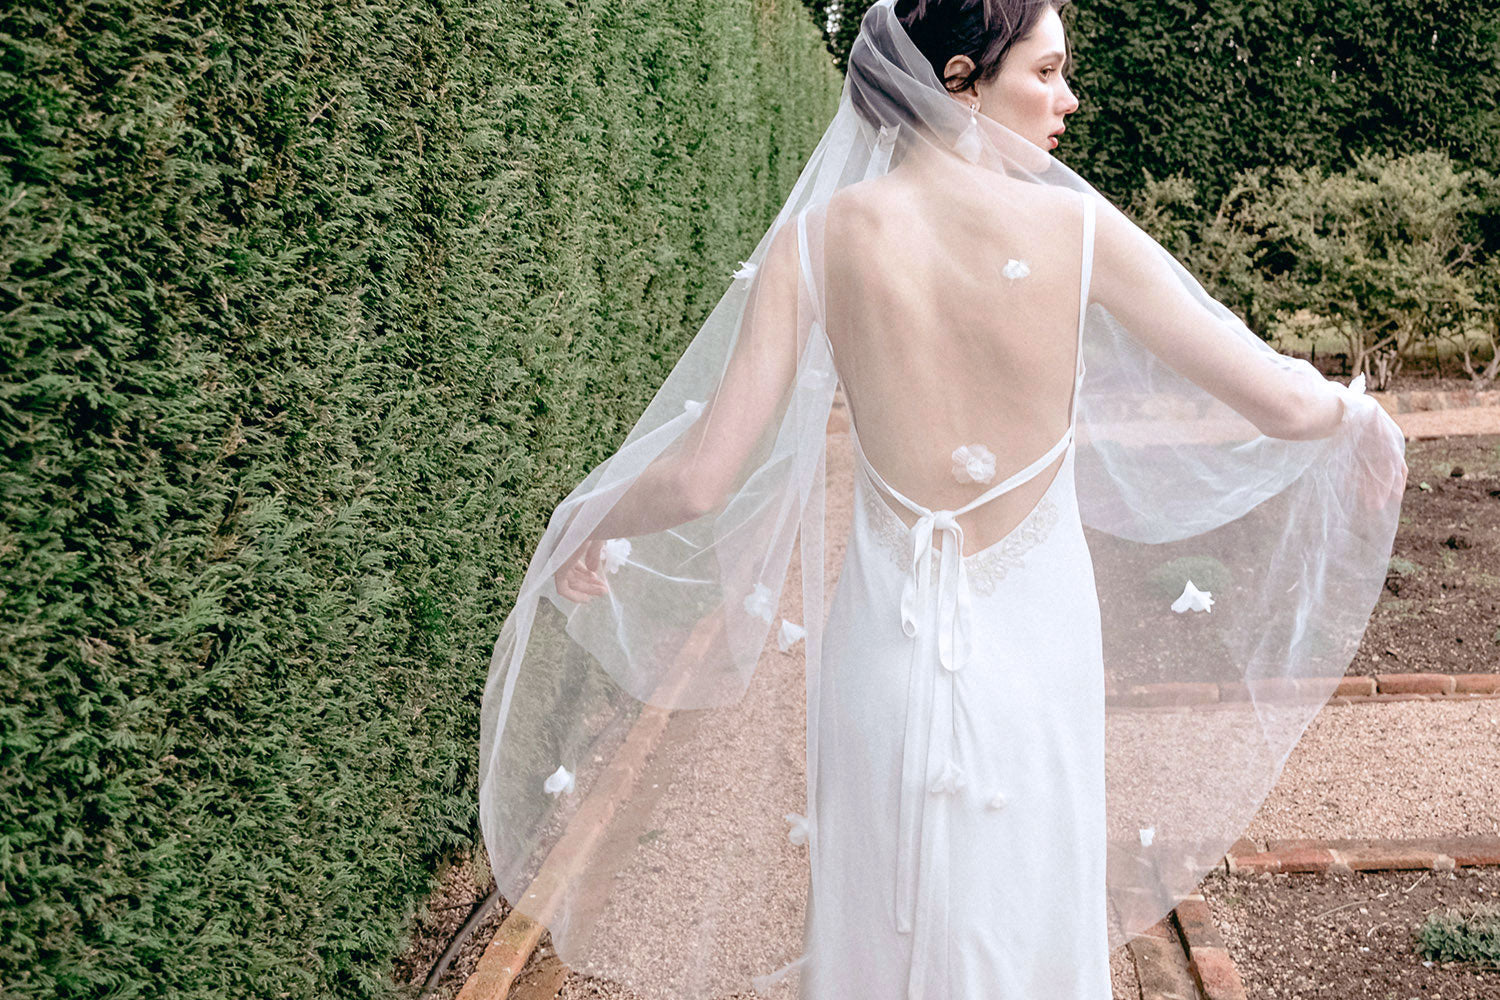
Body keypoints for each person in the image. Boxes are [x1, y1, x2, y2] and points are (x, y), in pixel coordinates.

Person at [481, 1, 1409, 997]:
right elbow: (1275, 399)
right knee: (1024, 918)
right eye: (1046, 74)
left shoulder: (817, 240)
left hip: (885, 647)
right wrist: (1359, 416)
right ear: (962, 77)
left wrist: (587, 517)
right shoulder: (1075, 226)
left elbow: (704, 474)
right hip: (1035, 646)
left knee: (889, 918)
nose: (1069, 100)